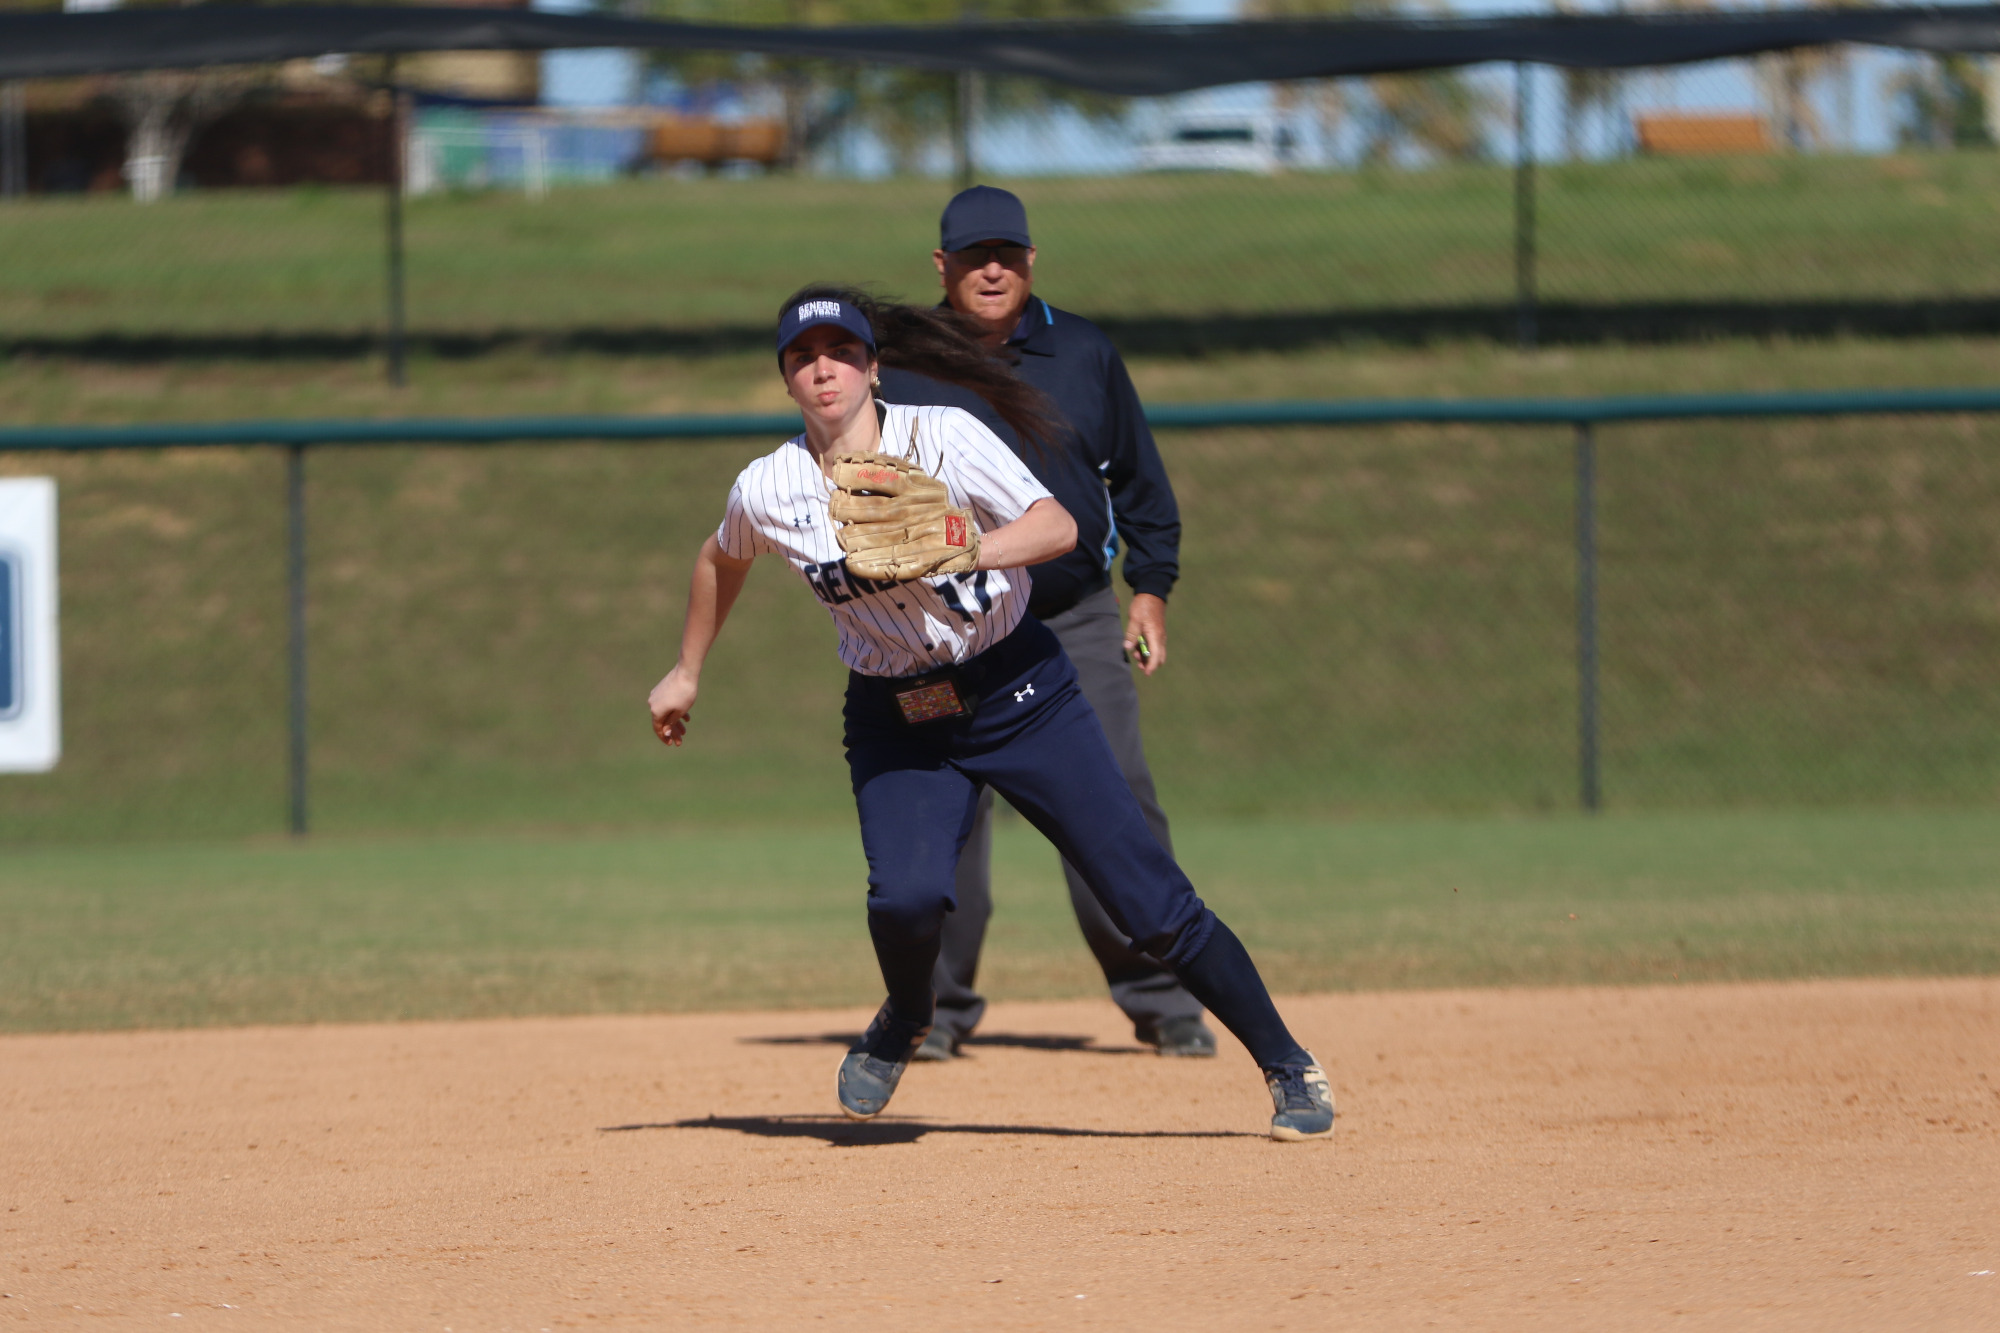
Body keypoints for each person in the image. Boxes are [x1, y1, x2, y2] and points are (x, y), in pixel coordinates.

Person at [646, 287, 1335, 1141]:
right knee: (905, 898)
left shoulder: (944, 436)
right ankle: (908, 1014)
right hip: (898, 715)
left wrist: (966, 546)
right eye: (802, 357)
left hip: (1020, 692)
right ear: (787, 380)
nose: (824, 369)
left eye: (842, 351)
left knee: (1148, 899)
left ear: (872, 366)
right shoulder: (769, 487)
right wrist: (686, 670)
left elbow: (1057, 525)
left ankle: (1288, 1064)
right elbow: (721, 556)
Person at [875, 185, 1211, 1061]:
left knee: (1116, 801)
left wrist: (1151, 588)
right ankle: (932, 1011)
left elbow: (1139, 480)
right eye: (974, 255)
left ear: (1031, 261)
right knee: (943, 809)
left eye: (1008, 253)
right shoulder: (897, 364)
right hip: (945, 636)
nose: (993, 269)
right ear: (941, 266)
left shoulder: (1083, 351)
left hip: (1072, 619)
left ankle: (1162, 995)